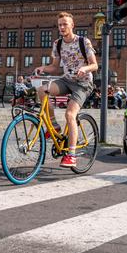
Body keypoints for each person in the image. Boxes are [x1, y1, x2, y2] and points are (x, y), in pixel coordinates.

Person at [33, 11, 98, 168]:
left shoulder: (84, 42)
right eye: (60, 25)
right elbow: (55, 67)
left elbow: (95, 65)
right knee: (42, 90)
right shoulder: (58, 44)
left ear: (72, 25)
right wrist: (43, 68)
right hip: (67, 80)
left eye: (65, 24)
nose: (62, 27)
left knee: (70, 114)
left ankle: (71, 154)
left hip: (83, 84)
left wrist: (85, 68)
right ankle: (54, 125)